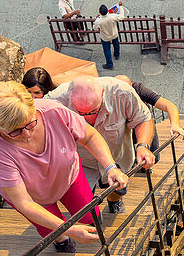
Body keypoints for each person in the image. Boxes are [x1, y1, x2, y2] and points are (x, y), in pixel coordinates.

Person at [0, 82, 127, 255]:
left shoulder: (54, 111)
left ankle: (81, 233)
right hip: (34, 198)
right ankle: (62, 241)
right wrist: (68, 230)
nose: (26, 135)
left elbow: (89, 137)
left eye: (30, 123)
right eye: (15, 131)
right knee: (51, 232)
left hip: (69, 177)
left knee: (90, 215)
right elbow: (24, 203)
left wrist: (111, 167)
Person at [52, 77, 156, 214]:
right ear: (70, 98)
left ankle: (114, 202)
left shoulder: (122, 93)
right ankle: (92, 223)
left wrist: (142, 145)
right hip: (82, 163)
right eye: (82, 113)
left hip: (117, 157)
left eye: (94, 110)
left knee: (117, 188)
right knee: (84, 204)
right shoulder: (55, 101)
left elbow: (143, 119)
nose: (89, 117)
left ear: (103, 92)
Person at [114, 74, 184, 145]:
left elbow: (169, 105)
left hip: (145, 128)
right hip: (123, 134)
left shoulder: (138, 89)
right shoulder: (108, 96)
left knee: (151, 151)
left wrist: (175, 125)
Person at [93, 2, 126, 70]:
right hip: (114, 34)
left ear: (100, 12)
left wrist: (97, 17)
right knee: (116, 44)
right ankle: (117, 55)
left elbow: (95, 28)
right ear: (107, 10)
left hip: (105, 37)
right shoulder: (112, 16)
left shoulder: (98, 21)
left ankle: (109, 64)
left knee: (107, 50)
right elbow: (122, 16)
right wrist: (120, 7)